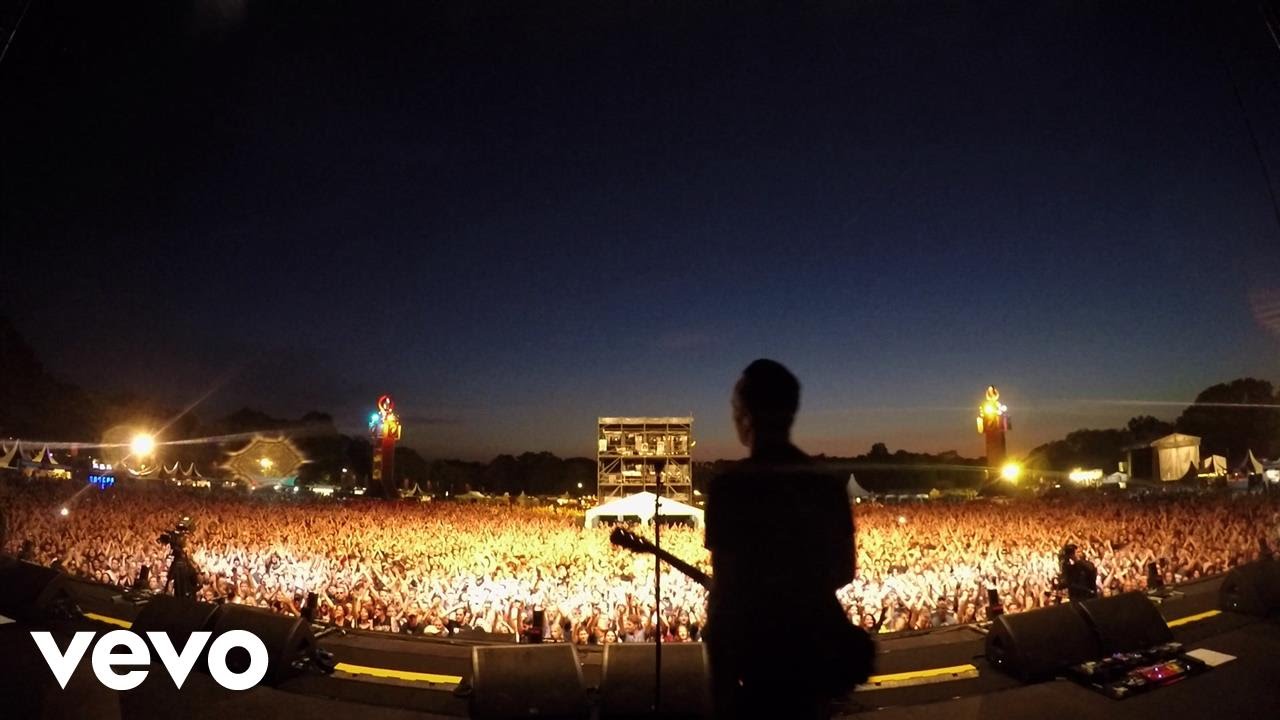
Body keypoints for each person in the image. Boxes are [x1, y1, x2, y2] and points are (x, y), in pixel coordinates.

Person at [704, 359, 874, 719]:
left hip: (756, 654)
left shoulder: (729, 487)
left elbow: (726, 589)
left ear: (745, 416)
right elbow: (844, 571)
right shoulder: (826, 484)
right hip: (814, 649)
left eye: (735, 408)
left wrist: (720, 685)